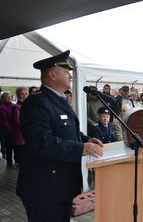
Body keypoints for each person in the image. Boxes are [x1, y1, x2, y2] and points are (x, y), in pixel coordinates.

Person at [16, 50, 104, 222]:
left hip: (60, 186)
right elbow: (40, 142)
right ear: (52, 74)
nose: (70, 76)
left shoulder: (58, 99)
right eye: (66, 71)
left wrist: (85, 140)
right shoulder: (37, 103)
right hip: (44, 189)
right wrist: (81, 148)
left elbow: (66, 131)